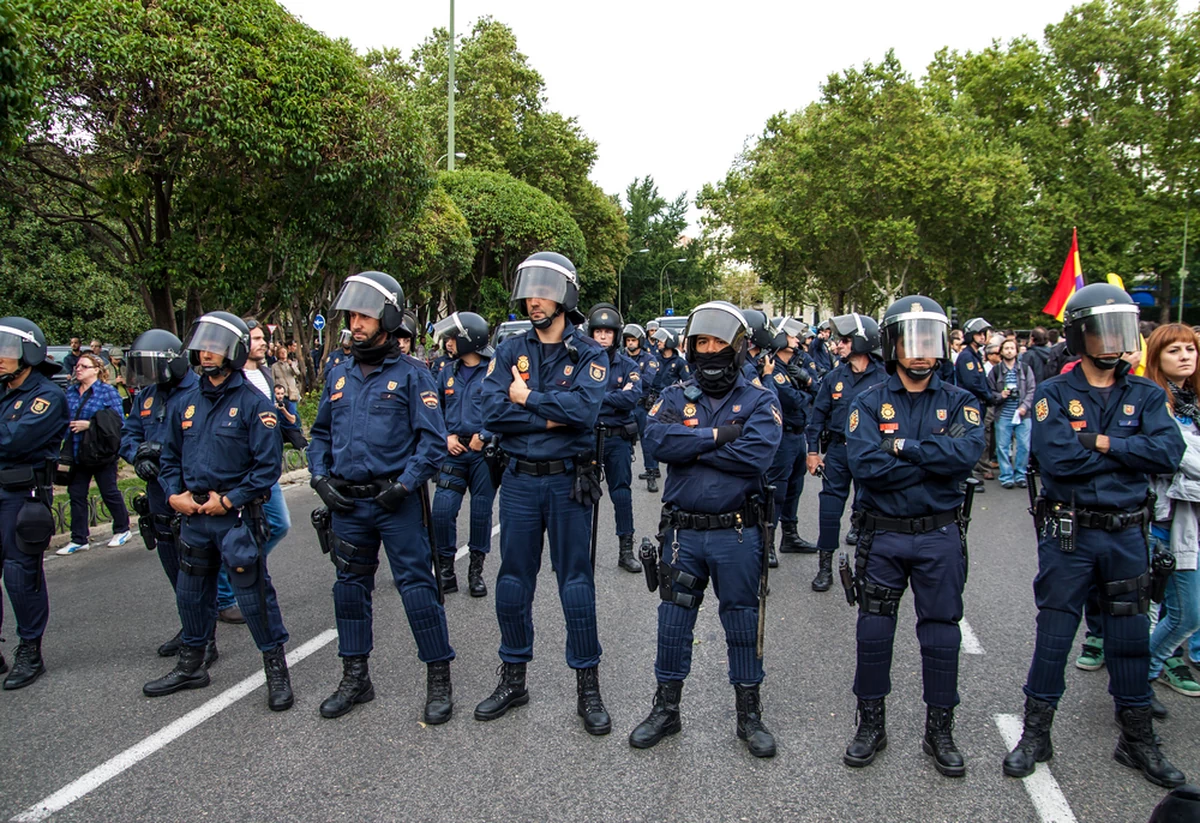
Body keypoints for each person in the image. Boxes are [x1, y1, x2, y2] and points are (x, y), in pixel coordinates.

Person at [1003, 283, 1187, 789]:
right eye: (1102, 330)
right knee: (1055, 635)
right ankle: (1036, 735)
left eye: (1119, 330)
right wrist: (1129, 450)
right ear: (1080, 335)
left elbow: (1167, 453)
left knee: (1129, 640)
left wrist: (1102, 441)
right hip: (1071, 533)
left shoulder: (1147, 392)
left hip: (1128, 533)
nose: (1113, 341)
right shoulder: (1055, 394)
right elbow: (1059, 461)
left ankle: (1137, 739)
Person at [629, 301, 782, 756]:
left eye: (718, 342)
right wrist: (718, 436)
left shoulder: (760, 399)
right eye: (702, 342)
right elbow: (655, 440)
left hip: (737, 533)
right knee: (673, 622)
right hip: (684, 534)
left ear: (735, 347)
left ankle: (749, 715)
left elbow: (756, 456)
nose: (709, 350)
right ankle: (666, 710)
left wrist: (689, 448)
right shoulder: (675, 395)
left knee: (741, 621)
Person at [842, 295, 985, 777]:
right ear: (893, 345)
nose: (922, 352)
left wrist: (902, 448)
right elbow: (866, 466)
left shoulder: (960, 401)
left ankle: (939, 729)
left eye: (931, 341)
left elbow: (963, 459)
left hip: (939, 535)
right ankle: (870, 724)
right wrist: (931, 460)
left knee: (942, 633)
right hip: (883, 536)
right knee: (874, 630)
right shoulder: (868, 400)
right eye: (912, 341)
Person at [307, 271, 454, 722]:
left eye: (364, 315)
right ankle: (356, 677)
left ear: (387, 317)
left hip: (397, 503)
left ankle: (438, 678)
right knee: (349, 589)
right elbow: (320, 436)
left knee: (416, 588)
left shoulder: (413, 374)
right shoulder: (339, 374)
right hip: (349, 506)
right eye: (351, 315)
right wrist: (320, 479)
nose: (355, 322)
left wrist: (405, 485)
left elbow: (432, 442)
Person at [476, 251, 611, 734]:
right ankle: (514, 677)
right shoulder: (511, 350)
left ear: (566, 296)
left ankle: (588, 688)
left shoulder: (589, 353)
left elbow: (585, 413)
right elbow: (491, 411)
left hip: (567, 481)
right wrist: (551, 412)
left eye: (545, 291)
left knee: (575, 584)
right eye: (530, 291)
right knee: (513, 582)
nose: (535, 301)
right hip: (517, 480)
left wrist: (526, 398)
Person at [144, 312, 294, 712]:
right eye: (202, 345)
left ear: (233, 350)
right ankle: (193, 664)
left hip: (236, 518)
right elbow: (170, 455)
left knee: (254, 596)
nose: (205, 353)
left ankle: (276, 671)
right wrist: (173, 494)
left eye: (214, 345)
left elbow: (267, 469)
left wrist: (228, 500)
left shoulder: (254, 405)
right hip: (194, 518)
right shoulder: (185, 403)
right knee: (191, 593)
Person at [119, 329, 208, 662]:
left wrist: (168, 451)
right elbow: (129, 435)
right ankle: (190, 627)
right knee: (172, 563)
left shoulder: (199, 390)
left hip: (190, 490)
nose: (148, 375)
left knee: (197, 567)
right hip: (159, 492)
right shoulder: (146, 397)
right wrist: (138, 456)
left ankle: (204, 634)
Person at [0, 318, 68, 689]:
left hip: (20, 497)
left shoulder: (47, 396)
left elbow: (13, 441)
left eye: (7, 350)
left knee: (20, 574)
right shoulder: (3, 391)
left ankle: (30, 649)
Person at [212, 319, 291, 626]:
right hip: (239, 472)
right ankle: (226, 595)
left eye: (262, 338)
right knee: (235, 533)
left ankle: (245, 570)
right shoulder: (230, 377)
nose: (262, 343)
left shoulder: (265, 374)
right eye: (256, 338)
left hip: (264, 470)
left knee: (278, 524)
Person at [805, 312, 887, 592]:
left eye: (844, 340)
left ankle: (867, 567)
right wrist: (813, 452)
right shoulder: (833, 377)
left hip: (872, 452)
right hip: (839, 451)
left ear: (862, 341)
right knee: (829, 511)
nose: (837, 345)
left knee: (870, 510)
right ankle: (824, 568)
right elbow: (817, 417)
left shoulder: (886, 376)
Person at [1143, 325, 1200, 703]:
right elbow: (1176, 459)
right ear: (1157, 358)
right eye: (1174, 350)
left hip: (1193, 522)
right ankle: (1141, 672)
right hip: (1168, 524)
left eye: (1190, 348)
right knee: (1184, 614)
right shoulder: (1154, 403)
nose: (1185, 355)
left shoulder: (1193, 403)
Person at [430, 311, 497, 597]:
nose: (448, 343)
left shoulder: (495, 370)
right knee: (442, 511)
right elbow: (433, 409)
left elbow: (506, 409)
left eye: (453, 337)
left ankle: (476, 571)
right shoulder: (446, 371)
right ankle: (445, 569)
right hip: (454, 451)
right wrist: (446, 436)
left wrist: (484, 436)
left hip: (483, 453)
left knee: (481, 513)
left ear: (470, 339)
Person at [57, 352, 132, 555]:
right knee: (76, 495)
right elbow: (64, 421)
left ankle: (122, 529)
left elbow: (117, 423)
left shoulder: (106, 392)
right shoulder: (71, 392)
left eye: (84, 366)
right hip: (77, 451)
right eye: (77, 366)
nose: (78, 369)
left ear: (97, 370)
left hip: (100, 452)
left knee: (109, 491)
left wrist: (90, 425)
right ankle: (79, 538)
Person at [587, 304, 643, 573]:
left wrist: (597, 398)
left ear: (616, 336)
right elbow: (574, 400)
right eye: (598, 331)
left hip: (617, 439)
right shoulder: (580, 363)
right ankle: (576, 549)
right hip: (587, 437)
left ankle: (626, 549)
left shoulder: (629, 365)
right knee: (581, 493)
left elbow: (630, 398)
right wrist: (610, 399)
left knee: (621, 493)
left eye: (608, 332)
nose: (602, 337)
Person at [766, 317, 817, 564]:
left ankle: (790, 535)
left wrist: (807, 382)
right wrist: (807, 389)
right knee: (777, 490)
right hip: (782, 435)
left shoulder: (797, 362)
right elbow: (790, 399)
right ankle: (768, 544)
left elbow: (820, 389)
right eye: (792, 335)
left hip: (799, 434)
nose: (797, 339)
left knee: (795, 487)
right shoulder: (772, 367)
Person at [640, 328, 689, 493]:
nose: (658, 343)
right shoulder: (653, 359)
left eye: (661, 341)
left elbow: (689, 383)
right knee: (649, 435)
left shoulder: (680, 363)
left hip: (671, 404)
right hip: (653, 401)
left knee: (670, 437)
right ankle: (652, 471)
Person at [987, 338, 1035, 489]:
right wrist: (1001, 395)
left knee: (1024, 446)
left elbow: (1032, 389)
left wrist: (1024, 407)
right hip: (1003, 413)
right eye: (1006, 348)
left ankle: (1020, 474)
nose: (1009, 351)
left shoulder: (1025, 369)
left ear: (1017, 351)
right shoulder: (995, 371)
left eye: (1012, 348)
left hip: (1023, 414)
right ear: (1001, 351)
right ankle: (1006, 476)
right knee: (1002, 447)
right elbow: (989, 392)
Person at [624, 323, 660, 488]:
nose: (630, 343)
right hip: (624, 405)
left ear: (639, 341)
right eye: (627, 340)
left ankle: (651, 472)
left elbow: (647, 381)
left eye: (633, 340)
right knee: (620, 440)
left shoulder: (649, 359)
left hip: (641, 405)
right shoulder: (621, 358)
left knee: (647, 439)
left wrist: (631, 379)